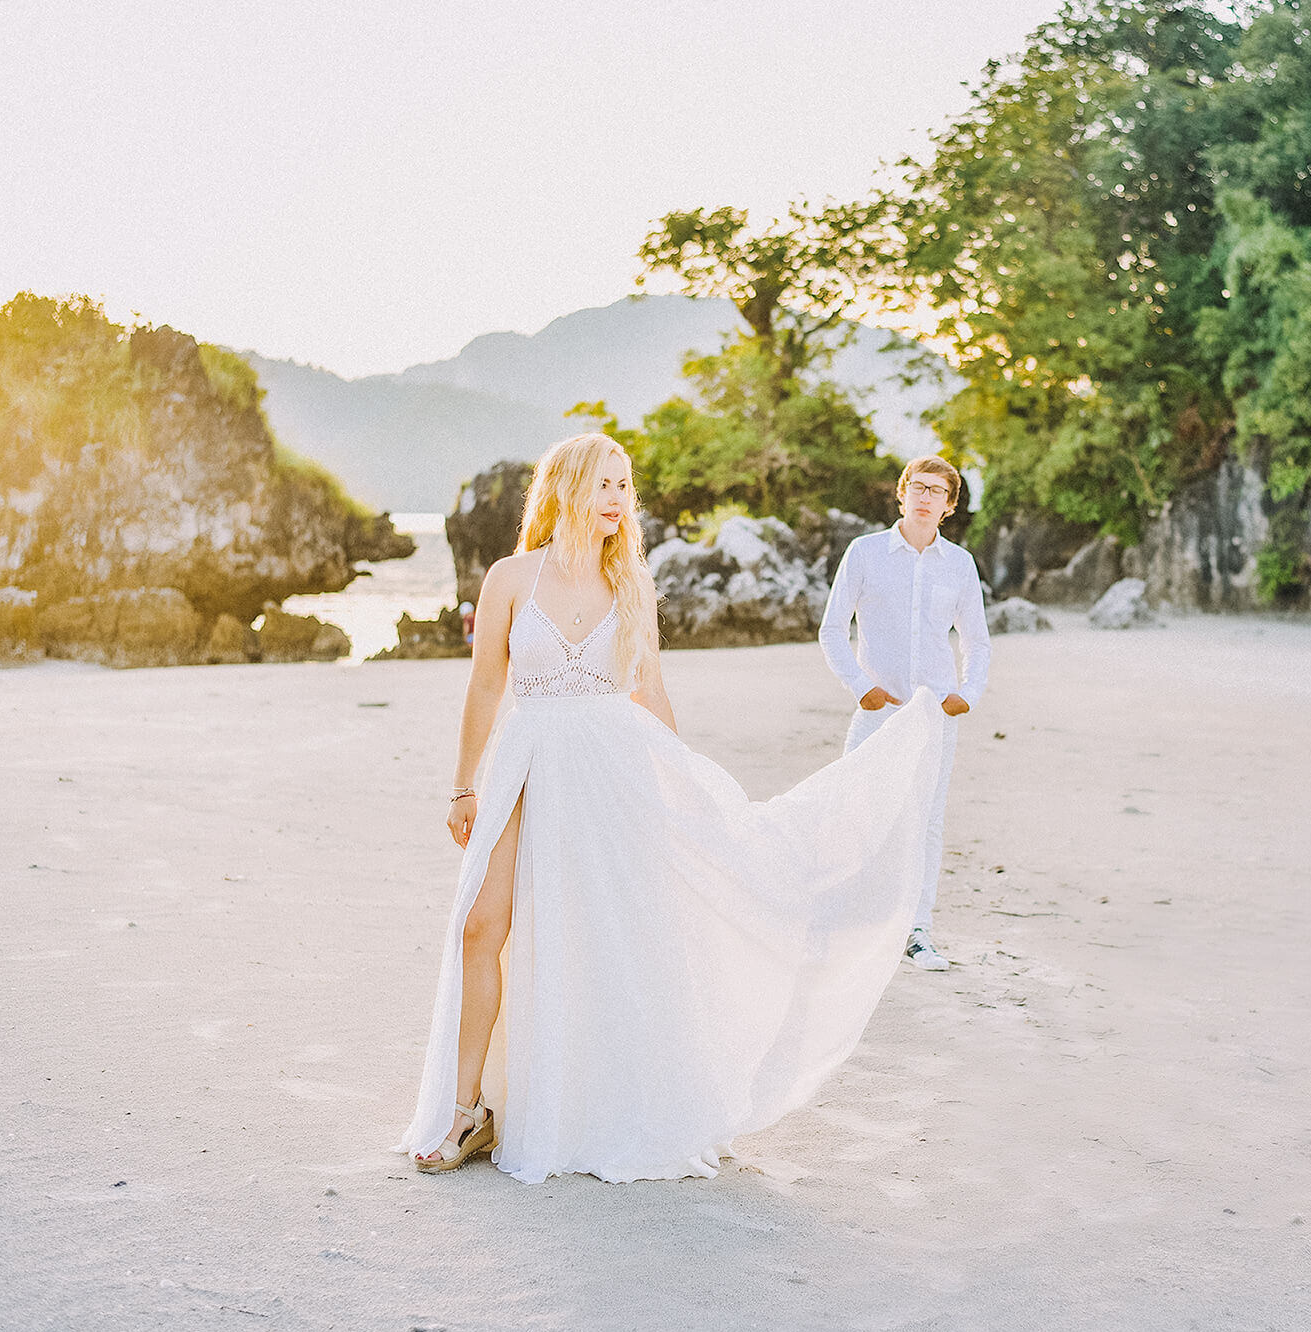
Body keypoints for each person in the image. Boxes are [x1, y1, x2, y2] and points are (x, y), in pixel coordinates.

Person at [397, 433, 946, 1183]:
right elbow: (487, 687)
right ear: (564, 490)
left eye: (626, 485)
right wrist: (463, 785)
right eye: (605, 484)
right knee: (481, 926)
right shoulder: (510, 577)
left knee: (605, 937)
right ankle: (466, 1110)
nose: (620, 499)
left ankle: (584, 1103)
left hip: (610, 771)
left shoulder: (631, 583)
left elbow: (648, 691)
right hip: (526, 763)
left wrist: (685, 788)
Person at [818, 456, 989, 972]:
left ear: (949, 506)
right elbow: (832, 630)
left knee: (925, 823)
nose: (925, 497)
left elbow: (976, 642)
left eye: (937, 491)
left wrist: (968, 694)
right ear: (901, 493)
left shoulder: (959, 564)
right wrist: (861, 686)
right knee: (853, 814)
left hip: (933, 717)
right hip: (876, 712)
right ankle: (845, 928)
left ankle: (916, 933)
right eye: (917, 487)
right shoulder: (865, 553)